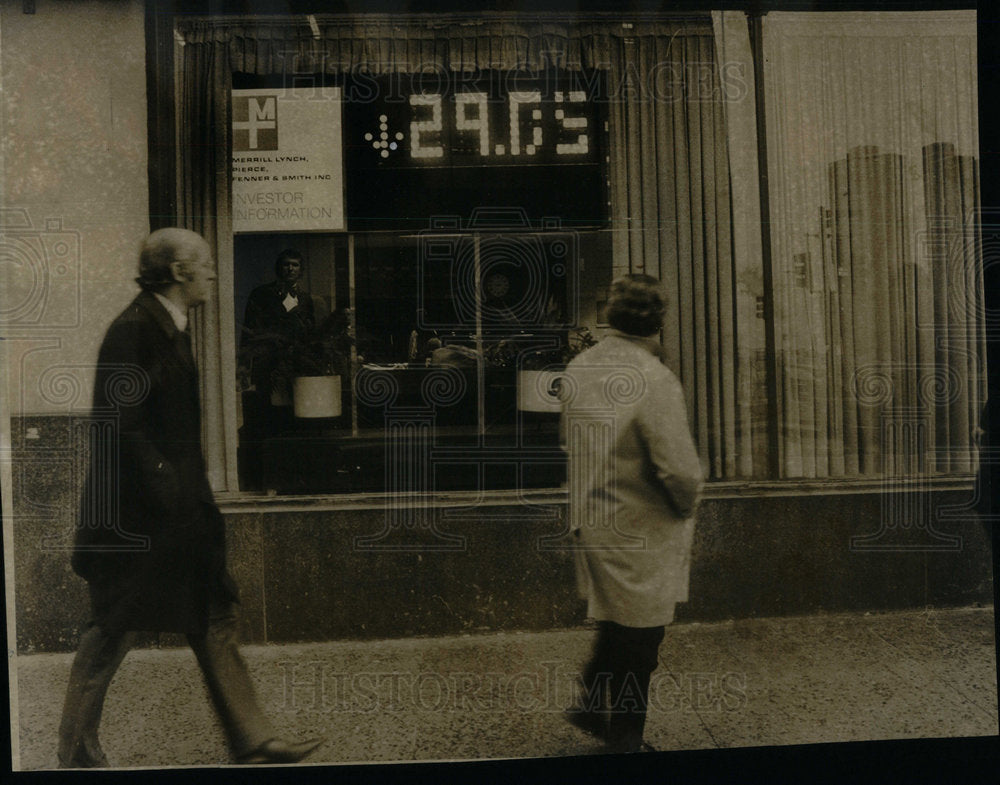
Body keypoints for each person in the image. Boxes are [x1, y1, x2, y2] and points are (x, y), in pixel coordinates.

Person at [58, 228, 322, 767]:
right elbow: (119, 426)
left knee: (216, 616)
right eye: (203, 263)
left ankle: (252, 739)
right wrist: (170, 491)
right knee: (112, 630)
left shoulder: (170, 327)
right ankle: (76, 750)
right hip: (137, 522)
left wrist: (190, 503)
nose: (212, 272)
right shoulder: (133, 331)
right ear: (177, 273)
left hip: (178, 517)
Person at [560, 274, 704, 754]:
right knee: (641, 641)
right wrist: (685, 508)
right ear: (658, 321)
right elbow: (680, 471)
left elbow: (570, 441)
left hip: (594, 520)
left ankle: (587, 700)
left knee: (618, 621)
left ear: (610, 316)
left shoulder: (581, 366)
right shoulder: (653, 378)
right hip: (642, 527)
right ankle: (625, 741)